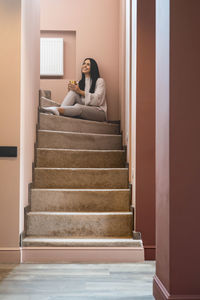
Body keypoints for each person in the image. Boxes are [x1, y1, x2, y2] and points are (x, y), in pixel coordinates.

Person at [41, 58, 107, 122]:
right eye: (84, 64)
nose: (85, 66)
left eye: (88, 64)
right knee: (73, 92)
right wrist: (70, 90)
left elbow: (98, 100)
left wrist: (79, 91)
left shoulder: (99, 81)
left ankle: (57, 109)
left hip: (99, 112)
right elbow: (75, 100)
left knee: (79, 107)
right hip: (84, 108)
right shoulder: (80, 83)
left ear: (93, 67)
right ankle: (59, 111)